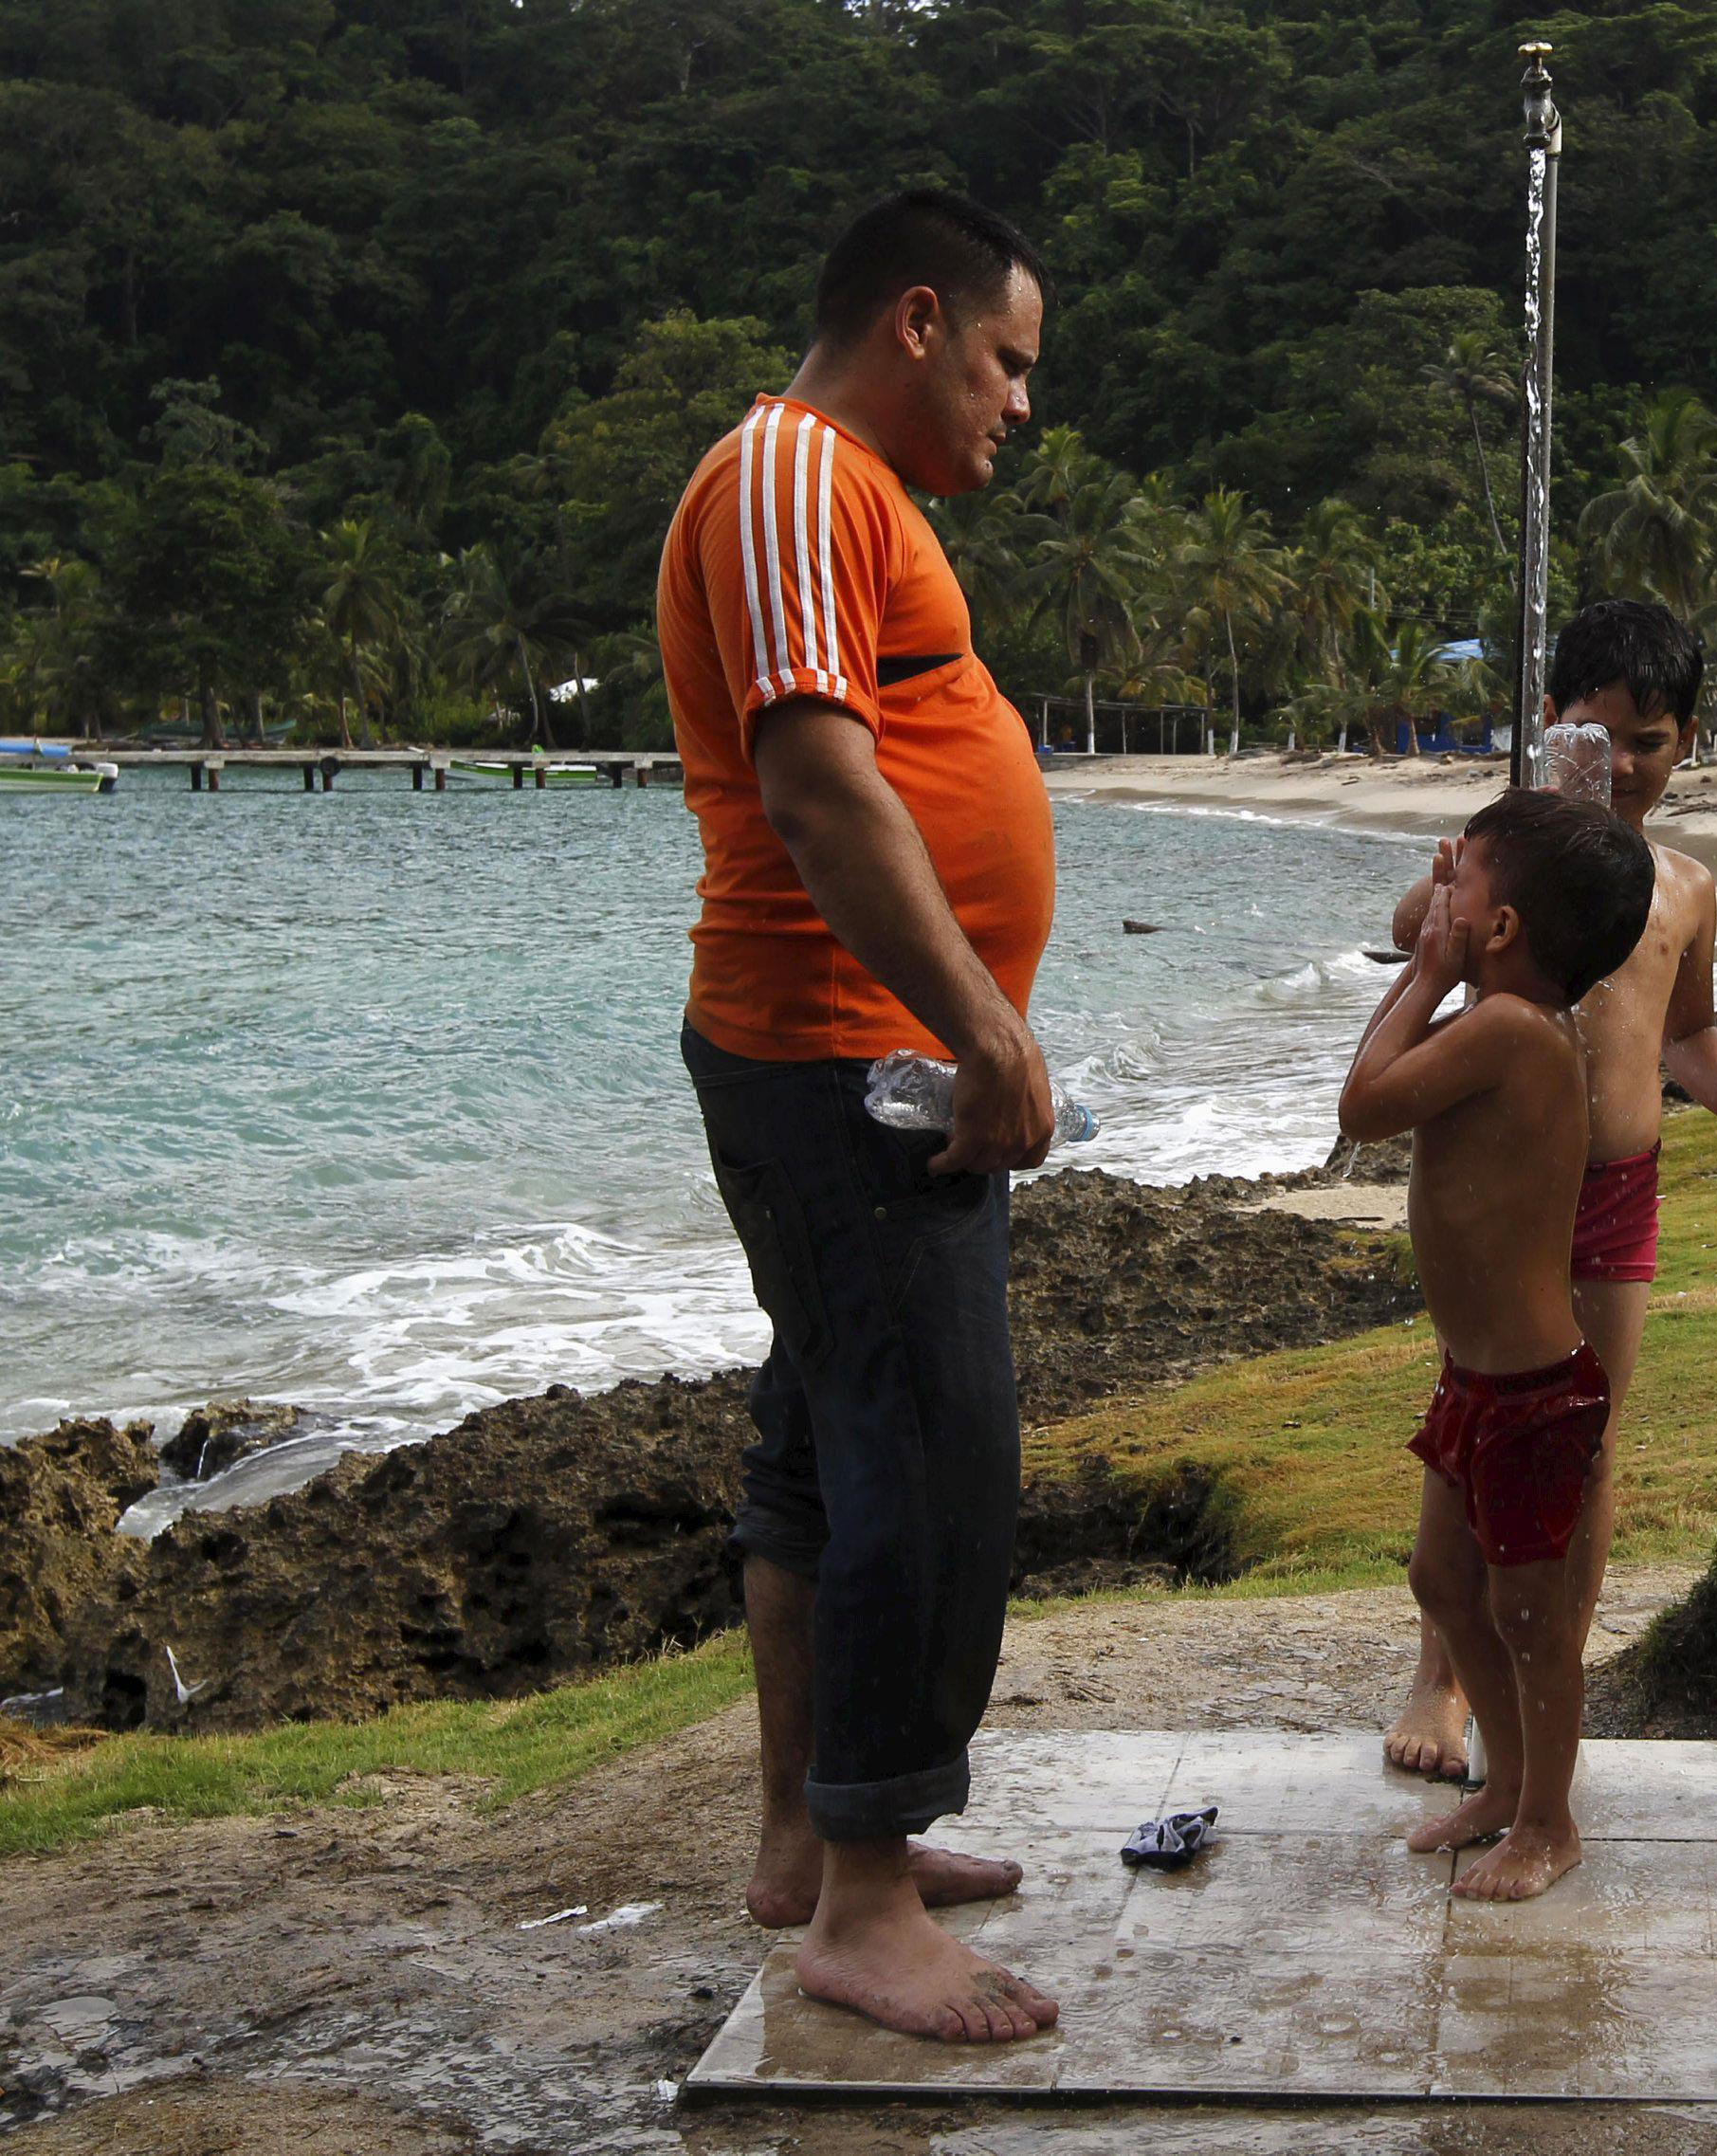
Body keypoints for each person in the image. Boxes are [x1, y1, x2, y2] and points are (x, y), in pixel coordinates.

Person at [661, 190, 1063, 2043]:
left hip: (848, 1052)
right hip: (845, 1059)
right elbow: (820, 786)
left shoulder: (843, 493)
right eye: (1005, 360)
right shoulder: (791, 477)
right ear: (916, 319)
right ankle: (869, 1898)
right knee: (927, 1459)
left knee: (828, 1447)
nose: (1016, 403)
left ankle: (811, 1847)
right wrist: (978, 1027)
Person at [1379, 600, 1717, 1782]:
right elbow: (1415, 932)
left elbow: (1687, 1033)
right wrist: (1460, 877)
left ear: (1686, 742)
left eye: (1645, 743)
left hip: (1614, 1189)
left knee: (1587, 1439)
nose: (1615, 767)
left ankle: (1554, 1653)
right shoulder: (1499, 858)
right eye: (1588, 734)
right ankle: (1442, 1674)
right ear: (1548, 724)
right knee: (1471, 1417)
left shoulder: (1683, 886)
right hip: (1506, 1192)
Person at [1340, 788, 1656, 1902]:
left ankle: (1549, 1822)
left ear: (1505, 930)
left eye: (1456, 878)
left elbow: (1364, 1104)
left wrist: (1427, 969)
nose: (1435, 893)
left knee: (1530, 1614)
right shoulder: (1497, 1023)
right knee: (1442, 1579)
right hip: (1477, 1379)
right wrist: (1433, 957)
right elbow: (1385, 1080)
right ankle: (1506, 1783)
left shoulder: (1514, 1034)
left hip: (1533, 1394)